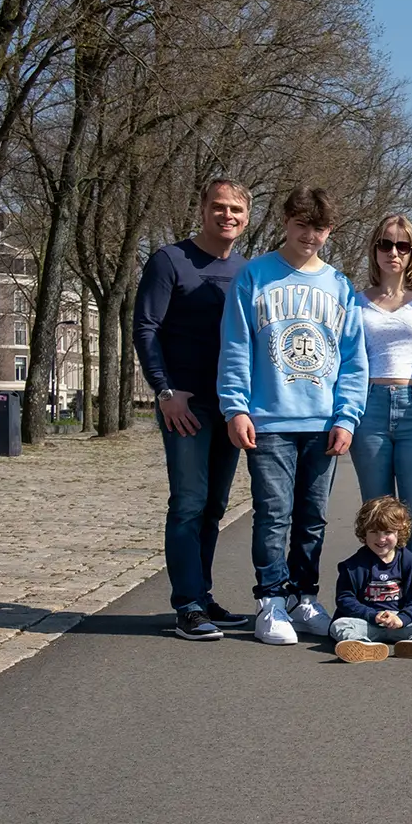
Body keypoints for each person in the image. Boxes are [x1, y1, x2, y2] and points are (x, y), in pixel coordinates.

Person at [217, 186, 369, 646]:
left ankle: (305, 595)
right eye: (302, 225)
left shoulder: (340, 285)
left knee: (312, 517)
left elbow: (353, 360)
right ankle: (271, 600)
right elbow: (236, 346)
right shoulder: (255, 276)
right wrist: (235, 406)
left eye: (320, 228)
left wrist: (347, 418)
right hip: (269, 419)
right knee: (273, 513)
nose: (311, 236)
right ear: (286, 221)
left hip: (323, 422)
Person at [133, 178, 252, 641]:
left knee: (215, 506)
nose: (228, 216)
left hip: (229, 405)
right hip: (184, 404)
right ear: (202, 209)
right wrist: (165, 391)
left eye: (237, 211)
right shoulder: (169, 261)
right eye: (219, 207)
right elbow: (146, 328)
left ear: (247, 218)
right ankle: (186, 605)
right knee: (187, 503)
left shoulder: (247, 270)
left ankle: (202, 596)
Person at [347, 214, 412, 619]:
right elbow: (349, 360)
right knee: (376, 517)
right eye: (386, 244)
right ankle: (377, 611)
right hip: (369, 407)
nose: (394, 252)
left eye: (402, 245)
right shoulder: (356, 300)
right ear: (374, 250)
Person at [330, 496, 412, 662]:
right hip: (367, 622)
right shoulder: (353, 566)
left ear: (399, 532)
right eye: (374, 532)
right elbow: (345, 599)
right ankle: (362, 645)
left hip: (400, 621)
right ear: (364, 532)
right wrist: (372, 615)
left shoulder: (409, 561)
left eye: (388, 532)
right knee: (339, 625)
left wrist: (403, 618)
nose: (381, 539)